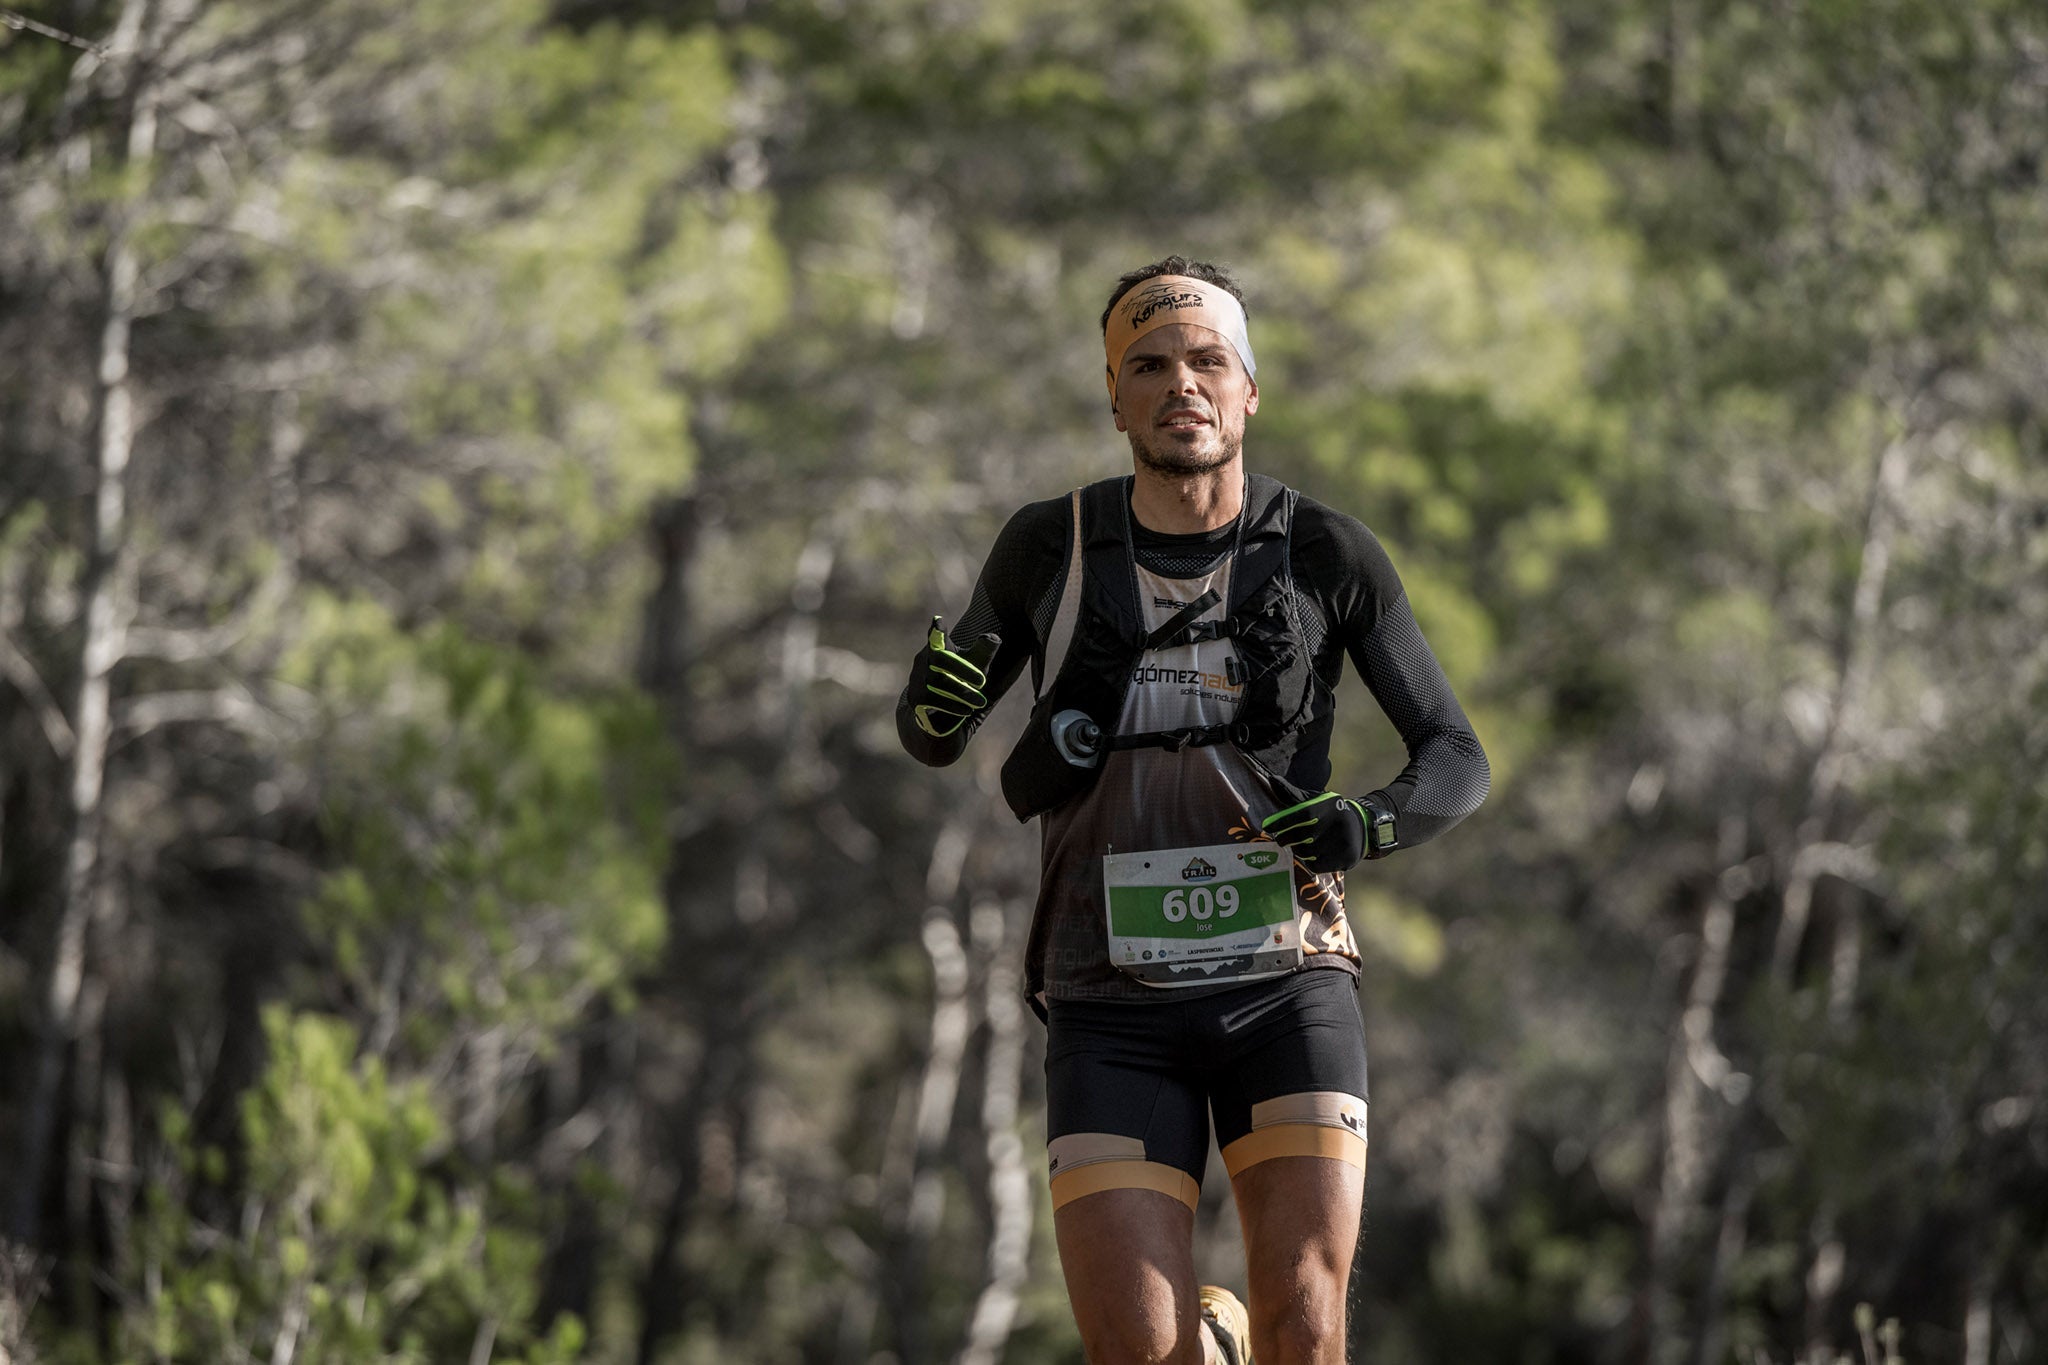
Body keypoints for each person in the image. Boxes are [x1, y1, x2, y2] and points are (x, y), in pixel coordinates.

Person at [897, 256, 1490, 1364]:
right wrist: (927, 712)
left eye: (1209, 361)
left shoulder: (1324, 551)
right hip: (1106, 996)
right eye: (1150, 365)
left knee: (1307, 1326)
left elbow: (1455, 755)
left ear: (1249, 389)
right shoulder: (1048, 546)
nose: (1183, 385)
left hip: (1288, 982)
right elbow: (936, 732)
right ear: (1113, 397)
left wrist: (1368, 823)